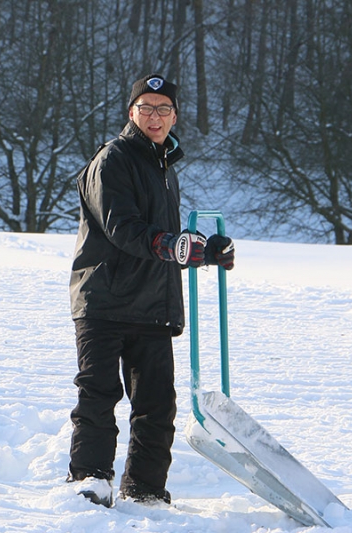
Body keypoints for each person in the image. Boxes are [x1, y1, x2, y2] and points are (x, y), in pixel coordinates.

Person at [66, 73, 235, 508]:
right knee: (99, 394)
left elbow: (166, 237)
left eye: (163, 109)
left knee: (158, 406)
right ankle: (91, 480)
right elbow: (123, 228)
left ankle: (144, 490)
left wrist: (205, 250)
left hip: (154, 305)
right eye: (146, 108)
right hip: (105, 299)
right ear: (131, 113)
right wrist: (167, 244)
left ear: (175, 116)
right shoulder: (113, 159)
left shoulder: (163, 168)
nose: (155, 117)